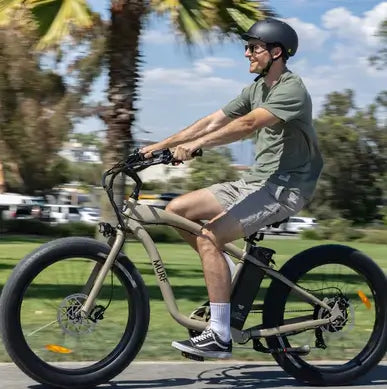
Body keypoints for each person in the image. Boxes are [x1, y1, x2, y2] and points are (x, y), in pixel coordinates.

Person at [140, 18, 323, 359]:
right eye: (247, 47)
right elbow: (213, 120)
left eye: (254, 47)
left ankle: (220, 335)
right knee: (176, 212)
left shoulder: (291, 88)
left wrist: (199, 146)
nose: (247, 54)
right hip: (254, 183)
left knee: (209, 236)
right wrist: (157, 147)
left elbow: (248, 124)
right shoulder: (256, 88)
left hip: (286, 188)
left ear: (276, 52)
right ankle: (226, 275)